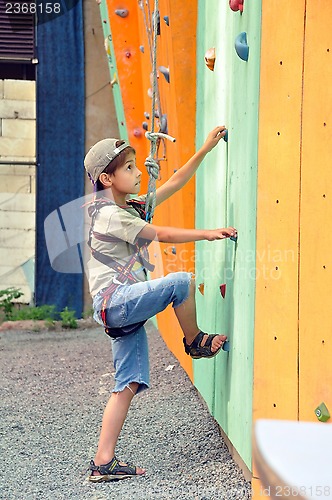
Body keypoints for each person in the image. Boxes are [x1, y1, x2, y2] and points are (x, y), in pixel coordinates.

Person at [84, 125, 237, 482]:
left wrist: (204, 149)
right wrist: (208, 233)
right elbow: (161, 235)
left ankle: (102, 462)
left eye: (137, 167)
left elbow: (174, 183)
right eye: (129, 169)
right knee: (179, 282)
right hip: (115, 301)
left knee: (129, 382)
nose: (139, 174)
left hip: (118, 307)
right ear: (107, 178)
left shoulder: (130, 205)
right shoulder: (109, 214)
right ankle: (195, 341)